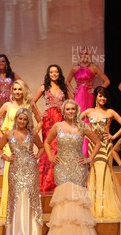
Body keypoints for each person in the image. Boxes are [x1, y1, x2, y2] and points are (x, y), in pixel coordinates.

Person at [42, 100, 104, 235]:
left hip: (78, 167)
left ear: (77, 110)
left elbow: (98, 142)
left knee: (77, 200)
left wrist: (89, 158)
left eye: (73, 109)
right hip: (62, 167)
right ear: (63, 111)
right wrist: (51, 157)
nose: (70, 111)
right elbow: (46, 142)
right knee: (64, 200)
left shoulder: (82, 126)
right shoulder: (58, 126)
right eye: (68, 109)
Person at [0, 108, 44, 235]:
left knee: (30, 199)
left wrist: (37, 156)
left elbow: (41, 147)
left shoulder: (33, 134)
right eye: (20, 118)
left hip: (30, 170)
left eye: (25, 119)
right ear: (16, 119)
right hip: (15, 170)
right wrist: (6, 157)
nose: (22, 121)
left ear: (28, 120)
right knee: (16, 199)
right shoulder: (8, 134)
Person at [0, 79, 40, 218]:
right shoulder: (7, 105)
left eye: (20, 89)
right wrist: (4, 136)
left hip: (25, 145)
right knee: (11, 177)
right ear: (12, 91)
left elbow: (40, 120)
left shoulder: (29, 104)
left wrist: (32, 134)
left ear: (24, 90)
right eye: (15, 89)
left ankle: (24, 211)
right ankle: (8, 210)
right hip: (11, 144)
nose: (17, 92)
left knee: (26, 180)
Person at [80, 87, 121, 219]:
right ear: (96, 97)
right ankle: (93, 205)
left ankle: (104, 204)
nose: (102, 99)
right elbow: (77, 121)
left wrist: (113, 136)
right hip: (93, 146)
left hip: (106, 146)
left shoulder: (110, 112)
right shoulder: (89, 112)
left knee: (105, 172)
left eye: (104, 96)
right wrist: (86, 132)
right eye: (100, 96)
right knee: (94, 172)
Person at [32, 64, 74, 192]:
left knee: (59, 146)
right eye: (51, 72)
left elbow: (72, 102)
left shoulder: (64, 87)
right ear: (48, 74)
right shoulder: (44, 87)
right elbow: (32, 102)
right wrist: (39, 114)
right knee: (49, 146)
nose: (54, 74)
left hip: (60, 119)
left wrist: (68, 114)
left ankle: (58, 179)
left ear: (59, 73)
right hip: (48, 120)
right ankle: (46, 179)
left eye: (56, 72)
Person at [67, 47, 110, 113]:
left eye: (86, 54)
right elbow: (67, 81)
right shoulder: (74, 68)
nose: (84, 55)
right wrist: (72, 90)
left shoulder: (94, 67)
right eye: (82, 54)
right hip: (78, 95)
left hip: (89, 95)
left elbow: (107, 81)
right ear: (79, 55)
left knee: (89, 114)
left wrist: (96, 91)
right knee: (78, 113)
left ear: (89, 55)